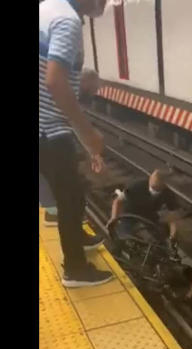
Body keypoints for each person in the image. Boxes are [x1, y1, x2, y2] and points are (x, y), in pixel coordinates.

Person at [40, 0, 112, 287]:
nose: (106, 3)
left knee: (74, 191)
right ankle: (75, 269)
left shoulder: (48, 7)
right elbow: (56, 82)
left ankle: (78, 240)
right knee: (69, 200)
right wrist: (89, 132)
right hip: (47, 129)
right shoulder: (67, 21)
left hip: (47, 127)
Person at [41, 68, 100, 243]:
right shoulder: (65, 94)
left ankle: (75, 236)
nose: (94, 93)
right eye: (94, 89)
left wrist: (91, 152)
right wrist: (92, 150)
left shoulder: (67, 92)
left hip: (50, 144)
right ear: (85, 83)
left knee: (75, 195)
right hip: (48, 145)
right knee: (71, 197)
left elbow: (73, 126)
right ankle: (75, 252)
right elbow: (75, 125)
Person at [109, 170, 179, 246]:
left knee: (159, 239)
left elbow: (173, 218)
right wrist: (114, 218)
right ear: (149, 180)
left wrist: (172, 237)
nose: (153, 192)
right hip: (130, 214)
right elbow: (118, 201)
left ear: (163, 186)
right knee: (125, 238)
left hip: (149, 216)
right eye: (152, 188)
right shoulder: (137, 185)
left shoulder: (168, 194)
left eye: (156, 190)